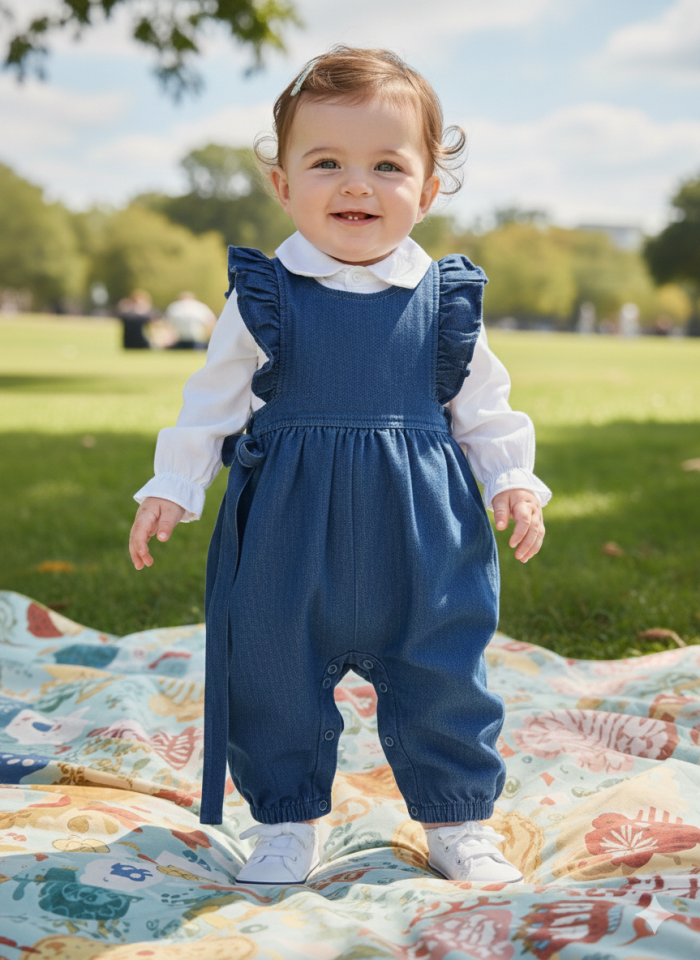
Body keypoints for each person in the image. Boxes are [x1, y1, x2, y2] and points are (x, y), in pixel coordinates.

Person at [129, 47, 551, 887]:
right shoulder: (265, 296)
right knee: (271, 672)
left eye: (386, 166)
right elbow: (211, 404)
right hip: (289, 534)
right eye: (327, 163)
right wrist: (172, 487)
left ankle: (457, 818)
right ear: (283, 185)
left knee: (446, 671)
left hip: (422, 537)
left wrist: (511, 478)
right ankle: (287, 821)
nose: (356, 184)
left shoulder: (445, 299)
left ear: (428, 191)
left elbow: (487, 406)